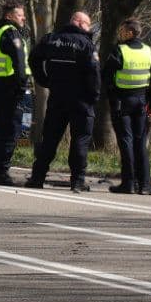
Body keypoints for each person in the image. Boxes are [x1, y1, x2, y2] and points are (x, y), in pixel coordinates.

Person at [27, 10, 102, 192]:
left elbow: (33, 58)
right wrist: (94, 95)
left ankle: (38, 177)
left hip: (57, 97)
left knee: (50, 139)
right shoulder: (86, 45)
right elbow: (94, 73)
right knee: (81, 140)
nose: (89, 28)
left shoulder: (51, 39)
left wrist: (43, 80)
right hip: (81, 99)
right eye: (87, 24)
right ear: (79, 23)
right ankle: (77, 181)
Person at [103, 17, 151, 195]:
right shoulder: (148, 51)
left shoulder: (120, 50)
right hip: (141, 100)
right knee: (140, 142)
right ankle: (145, 184)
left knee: (126, 141)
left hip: (123, 101)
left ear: (130, 32)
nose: (120, 33)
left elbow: (107, 75)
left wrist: (111, 99)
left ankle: (129, 183)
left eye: (123, 31)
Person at [0, 2, 29, 186]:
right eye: (20, 15)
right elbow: (19, 63)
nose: (24, 18)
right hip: (11, 87)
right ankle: (2, 171)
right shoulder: (11, 34)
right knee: (11, 129)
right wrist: (21, 86)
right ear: (10, 16)